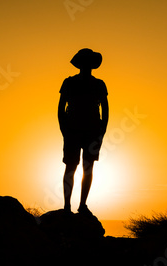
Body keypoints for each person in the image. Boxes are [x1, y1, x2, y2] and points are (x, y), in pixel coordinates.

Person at [58, 48, 109, 216]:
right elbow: (61, 107)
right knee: (72, 167)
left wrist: (102, 132)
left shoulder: (99, 84)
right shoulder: (69, 82)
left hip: (91, 131)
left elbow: (105, 109)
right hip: (74, 130)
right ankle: (68, 206)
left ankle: (81, 205)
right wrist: (64, 129)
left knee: (86, 167)